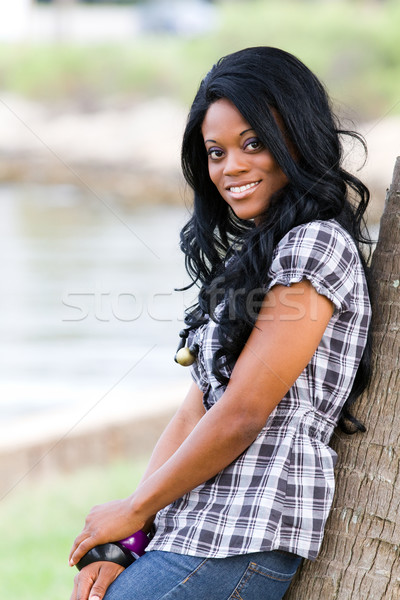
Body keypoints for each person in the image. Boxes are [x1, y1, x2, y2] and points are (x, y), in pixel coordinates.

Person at [69, 47, 372, 600]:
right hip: (194, 528)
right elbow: (197, 409)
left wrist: (132, 509)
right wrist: (129, 539)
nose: (230, 167)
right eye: (216, 152)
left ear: (296, 138)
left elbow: (242, 413)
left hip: (243, 537)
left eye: (253, 143)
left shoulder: (317, 244)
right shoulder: (256, 255)